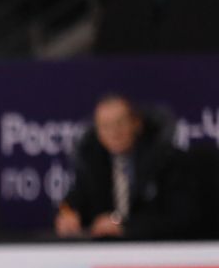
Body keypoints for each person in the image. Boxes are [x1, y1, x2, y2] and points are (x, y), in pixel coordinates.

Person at [55, 95, 199, 241]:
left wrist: (125, 226)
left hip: (157, 248)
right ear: (97, 132)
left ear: (136, 123)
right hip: (105, 253)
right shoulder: (92, 161)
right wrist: (68, 214)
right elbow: (72, 201)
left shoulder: (164, 159)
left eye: (120, 123)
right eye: (105, 126)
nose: (114, 132)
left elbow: (177, 216)